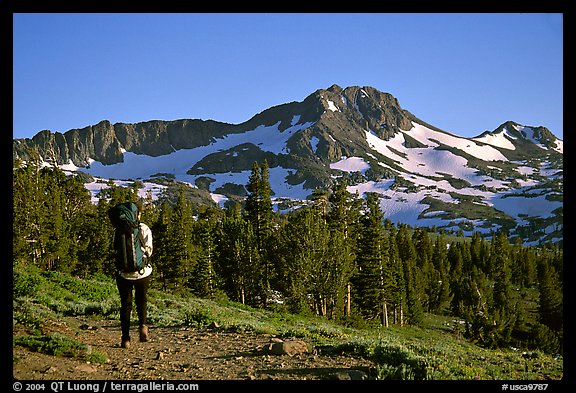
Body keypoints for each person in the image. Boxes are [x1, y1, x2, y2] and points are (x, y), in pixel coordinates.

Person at [115, 203, 153, 349]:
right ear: (138, 214)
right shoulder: (143, 228)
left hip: (123, 273)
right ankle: (143, 327)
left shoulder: (117, 229)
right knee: (141, 300)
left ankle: (125, 339)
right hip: (142, 272)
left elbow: (114, 249)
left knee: (125, 304)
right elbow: (149, 251)